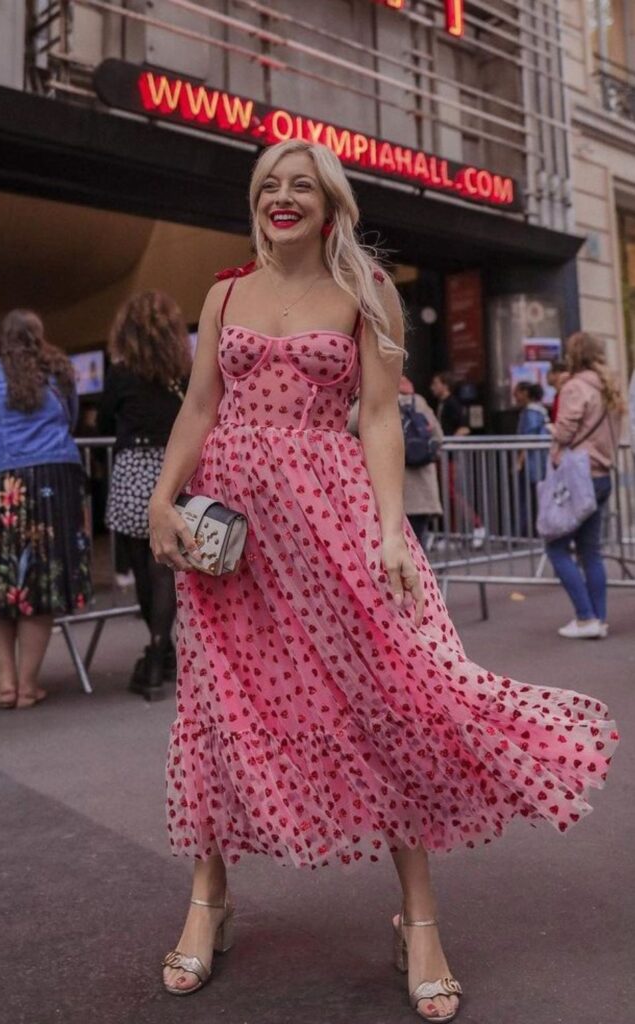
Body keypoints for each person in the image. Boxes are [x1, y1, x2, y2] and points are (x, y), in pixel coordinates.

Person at [148, 141, 618, 1023]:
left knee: (385, 701)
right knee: (217, 708)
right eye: (267, 186)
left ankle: (421, 919)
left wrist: (388, 530)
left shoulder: (367, 293)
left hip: (332, 525)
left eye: (300, 187)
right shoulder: (222, 293)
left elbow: (378, 417)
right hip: (235, 535)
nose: (281, 198)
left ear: (331, 206)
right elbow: (201, 405)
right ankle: (207, 901)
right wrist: (163, 501)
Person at [0, 309, 91, 708]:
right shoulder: (59, 371)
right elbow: (70, 421)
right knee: (42, 579)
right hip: (53, 480)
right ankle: (29, 685)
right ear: (40, 335)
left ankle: (4, 684)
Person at [99, 291, 191, 700]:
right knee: (166, 571)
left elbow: (103, 416)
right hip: (174, 469)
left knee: (141, 564)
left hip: (134, 468)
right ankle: (162, 650)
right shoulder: (184, 371)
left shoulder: (120, 372)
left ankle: (155, 654)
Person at [546, 332, 623, 640]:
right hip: (602, 472)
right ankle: (597, 619)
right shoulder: (609, 387)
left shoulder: (575, 387)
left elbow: (566, 429)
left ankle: (585, 616)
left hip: (579, 474)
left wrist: (555, 433)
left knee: (556, 547)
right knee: (591, 551)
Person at [348, 375, 443, 549]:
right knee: (416, 549)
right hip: (423, 491)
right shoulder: (417, 400)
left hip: (390, 492)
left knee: (390, 550)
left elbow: (347, 425)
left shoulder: (377, 398)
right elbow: (438, 436)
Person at [430, 372, 484, 549]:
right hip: (443, 455)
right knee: (447, 495)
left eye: (436, 383)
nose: (433, 387)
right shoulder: (442, 403)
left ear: (445, 385)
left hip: (449, 456)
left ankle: (477, 525)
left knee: (452, 493)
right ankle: (452, 534)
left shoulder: (452, 403)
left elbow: (464, 428)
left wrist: (447, 442)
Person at [513, 381, 549, 535]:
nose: (515, 397)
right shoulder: (540, 411)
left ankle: (523, 530)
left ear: (525, 393)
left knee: (526, 497)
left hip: (532, 462)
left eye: (517, 393)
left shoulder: (531, 413)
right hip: (540, 460)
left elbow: (528, 438)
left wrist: (519, 461)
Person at [547, 358, 569, 423]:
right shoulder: (557, 396)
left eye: (549, 372)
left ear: (557, 374)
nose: (546, 375)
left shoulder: (566, 396)